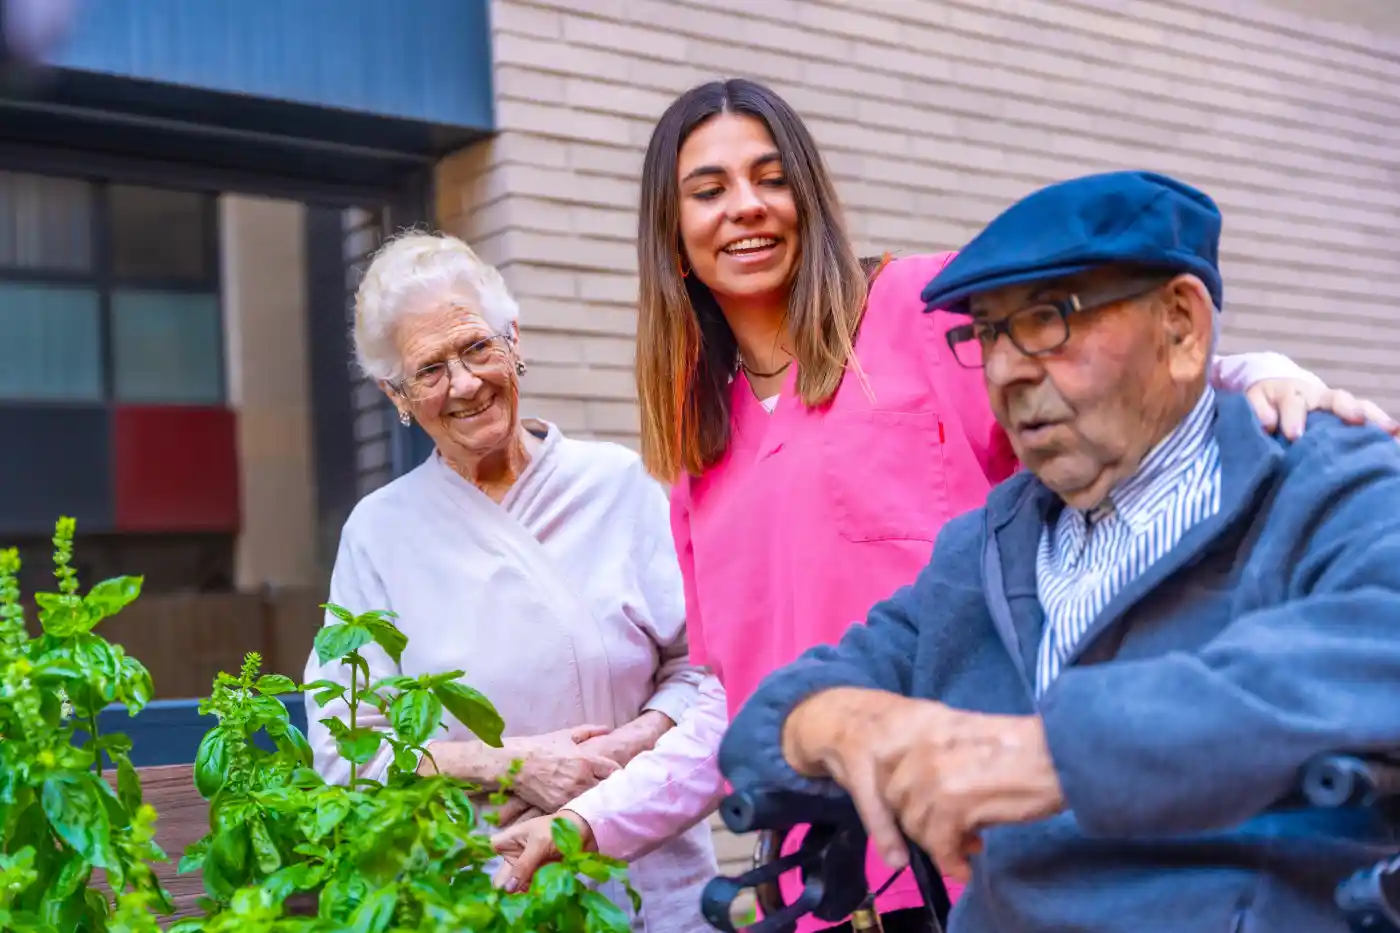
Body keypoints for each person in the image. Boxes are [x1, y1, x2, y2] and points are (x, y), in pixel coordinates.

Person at [491, 78, 1399, 932]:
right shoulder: (704, 453)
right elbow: (741, 704)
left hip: (1005, 858)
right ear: (670, 230)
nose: (746, 206)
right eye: (709, 188)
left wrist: (1277, 381)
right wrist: (594, 820)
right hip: (831, 883)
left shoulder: (927, 313)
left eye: (771, 177)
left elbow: (1129, 373)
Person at [719, 170, 1400, 933]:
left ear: (1181, 326)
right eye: (985, 332)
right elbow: (762, 722)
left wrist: (1056, 752)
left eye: (1048, 320)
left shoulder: (1323, 484)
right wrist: (848, 723)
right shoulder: (986, 546)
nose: (1007, 367)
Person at [303, 230, 721, 933]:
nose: (463, 384)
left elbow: (705, 667)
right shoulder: (378, 533)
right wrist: (506, 764)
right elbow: (347, 747)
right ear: (395, 394)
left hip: (651, 883)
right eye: (429, 369)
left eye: (475, 348)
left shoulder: (616, 484)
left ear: (514, 337)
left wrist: (621, 749)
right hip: (483, 900)